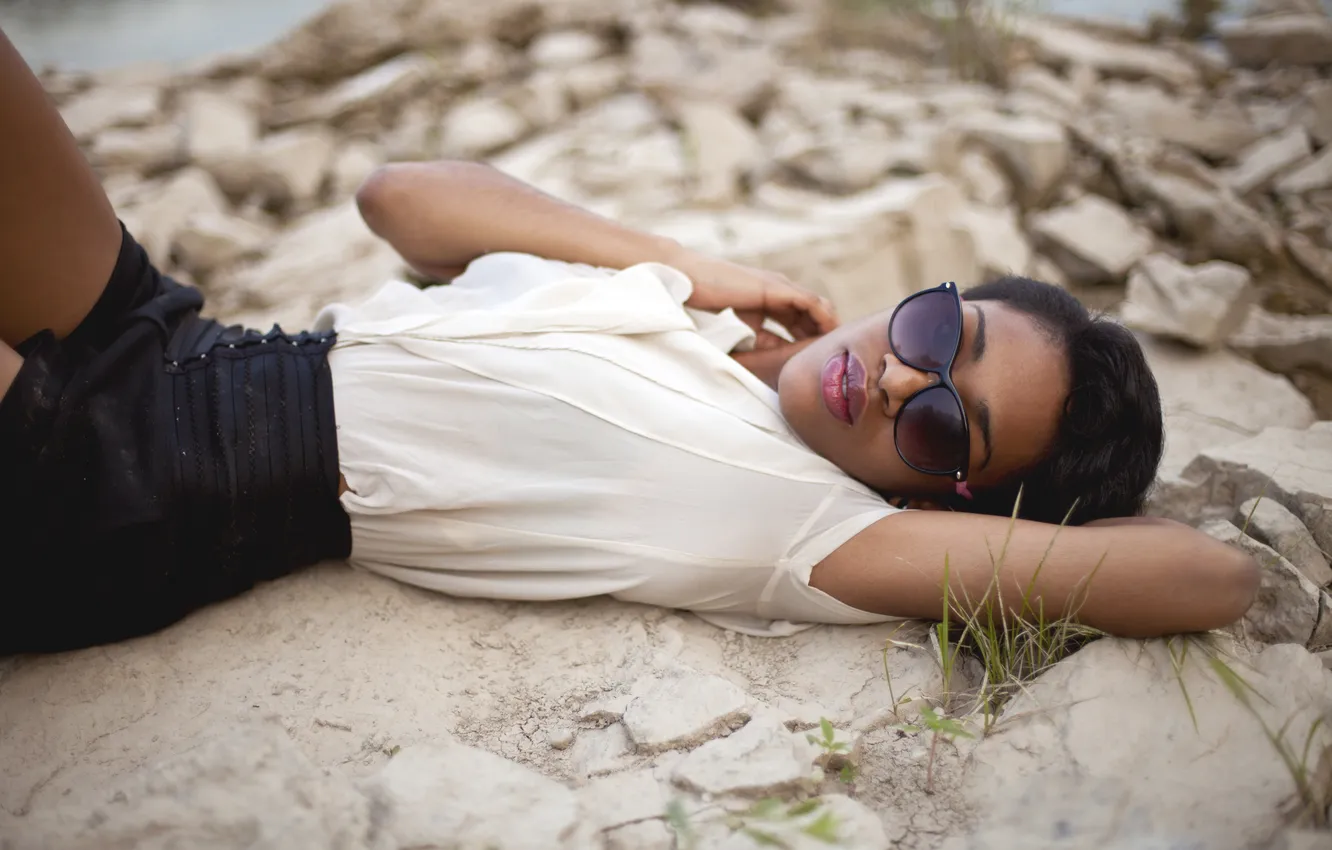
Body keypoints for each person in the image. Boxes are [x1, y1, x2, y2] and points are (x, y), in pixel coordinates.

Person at [0, 27, 1259, 654]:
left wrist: (1039, 531)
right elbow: (400, 199)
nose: (891, 377)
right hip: (172, 339)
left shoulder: (811, 532)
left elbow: (1213, 581)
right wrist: (697, 268)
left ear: (957, 494)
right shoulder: (678, 308)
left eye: (942, 421)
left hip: (121, 493)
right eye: (939, 328)